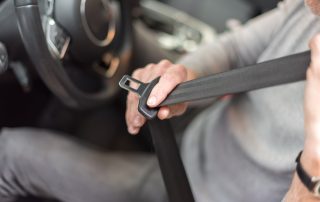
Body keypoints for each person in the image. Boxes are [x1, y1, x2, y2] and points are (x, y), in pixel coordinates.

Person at [0, 0, 319, 201]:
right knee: (122, 30)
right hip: (206, 127)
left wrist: (311, 173)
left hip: (194, 189)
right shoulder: (309, 11)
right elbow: (236, 48)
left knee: (10, 156)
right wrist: (186, 75)